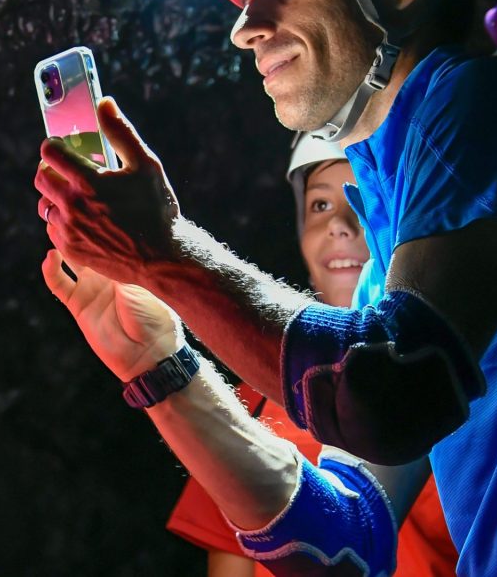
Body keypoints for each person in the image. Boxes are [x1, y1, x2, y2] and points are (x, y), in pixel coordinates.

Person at [35, 0, 497, 574]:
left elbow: (392, 395)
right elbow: (344, 543)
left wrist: (166, 253)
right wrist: (164, 366)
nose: (244, 30)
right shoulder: (390, 252)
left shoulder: (483, 101)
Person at [165, 135, 456, 576]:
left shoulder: (466, 381)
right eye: (320, 205)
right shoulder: (247, 400)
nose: (340, 223)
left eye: (362, 198)